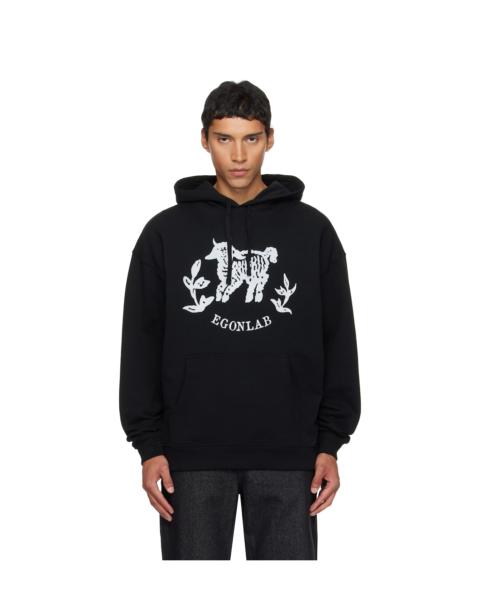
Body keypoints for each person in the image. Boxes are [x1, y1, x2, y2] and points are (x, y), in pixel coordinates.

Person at [119, 80, 361, 560]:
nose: (238, 155)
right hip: (190, 454)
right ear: (204, 140)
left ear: (270, 139)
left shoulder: (313, 231)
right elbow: (141, 343)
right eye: (224, 138)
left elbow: (339, 339)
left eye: (250, 138)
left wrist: (331, 443)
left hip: (290, 452)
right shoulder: (164, 234)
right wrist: (149, 446)